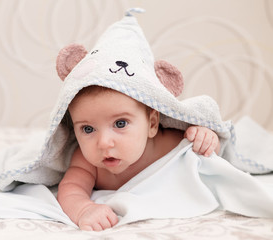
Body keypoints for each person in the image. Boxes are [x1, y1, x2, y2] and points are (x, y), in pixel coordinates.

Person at [57, 85, 220, 231]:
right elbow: (71, 190)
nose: (104, 143)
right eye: (88, 129)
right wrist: (84, 209)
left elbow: (209, 159)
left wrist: (206, 138)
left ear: (152, 125)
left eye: (120, 124)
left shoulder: (170, 143)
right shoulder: (86, 162)